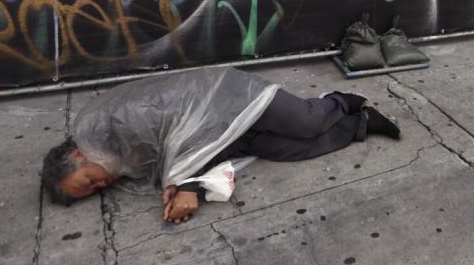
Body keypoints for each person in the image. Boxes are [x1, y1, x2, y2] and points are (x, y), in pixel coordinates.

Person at [41, 67, 400, 223]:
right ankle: (363, 124)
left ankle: (341, 100)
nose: (102, 185)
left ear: (77, 155)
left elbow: (184, 135)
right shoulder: (116, 162)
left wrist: (186, 186)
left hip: (231, 102)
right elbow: (171, 161)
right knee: (299, 150)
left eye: (90, 180)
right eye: (95, 192)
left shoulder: (117, 123)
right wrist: (180, 185)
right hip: (227, 139)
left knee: (307, 122)